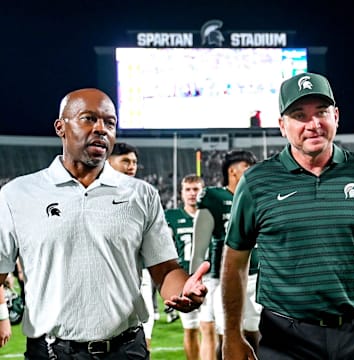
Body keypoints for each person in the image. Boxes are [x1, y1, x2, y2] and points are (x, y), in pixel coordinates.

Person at [0, 88, 209, 359]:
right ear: (60, 127)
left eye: (110, 123)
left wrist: (184, 290)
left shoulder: (141, 194)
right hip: (51, 351)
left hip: (126, 349)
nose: (101, 129)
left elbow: (165, 269)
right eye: (89, 119)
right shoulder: (18, 194)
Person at [221, 72, 354, 360]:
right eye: (299, 115)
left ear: (336, 116)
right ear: (283, 126)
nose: (313, 125)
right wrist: (232, 335)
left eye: (321, 112)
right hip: (287, 337)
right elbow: (235, 261)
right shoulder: (257, 182)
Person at [190, 150, 260, 360]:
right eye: (247, 169)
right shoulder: (214, 197)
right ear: (232, 171)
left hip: (257, 275)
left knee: (255, 334)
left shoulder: (255, 197)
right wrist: (194, 279)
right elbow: (199, 245)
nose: (252, 174)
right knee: (229, 337)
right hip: (224, 277)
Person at [108, 141, 155, 352]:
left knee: (143, 336)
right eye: (125, 160)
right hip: (105, 280)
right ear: (107, 162)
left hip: (138, 276)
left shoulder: (143, 197)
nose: (131, 166)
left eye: (134, 162)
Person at [165, 174, 205, 360]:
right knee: (191, 329)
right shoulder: (172, 217)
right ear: (181, 193)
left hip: (213, 279)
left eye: (196, 189)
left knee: (212, 328)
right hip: (186, 279)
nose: (192, 194)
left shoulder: (212, 215)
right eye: (188, 190)